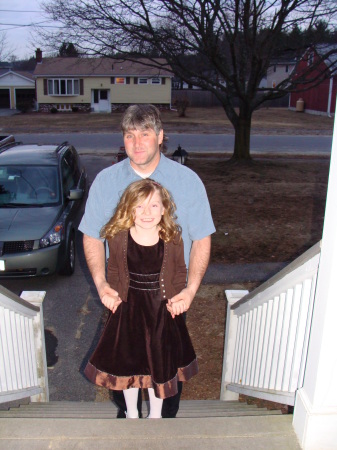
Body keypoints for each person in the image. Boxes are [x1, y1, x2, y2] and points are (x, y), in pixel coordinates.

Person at [79, 104, 215, 418]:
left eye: (145, 133)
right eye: (130, 135)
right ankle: (129, 418)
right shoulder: (105, 181)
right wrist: (101, 284)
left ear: (161, 137)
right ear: (123, 139)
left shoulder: (187, 181)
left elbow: (202, 238)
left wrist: (191, 291)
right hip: (122, 299)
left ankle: (160, 427)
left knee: (164, 375)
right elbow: (91, 236)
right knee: (125, 364)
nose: (137, 142)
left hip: (168, 302)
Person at [84, 179, 198, 418]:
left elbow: (179, 272)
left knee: (158, 363)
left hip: (161, 312)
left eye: (154, 206)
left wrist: (179, 298)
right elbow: (113, 269)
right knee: (130, 362)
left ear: (164, 208)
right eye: (139, 207)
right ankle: (131, 413)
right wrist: (111, 294)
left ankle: (156, 415)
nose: (147, 213)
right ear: (129, 209)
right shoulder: (118, 237)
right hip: (129, 310)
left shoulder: (172, 237)